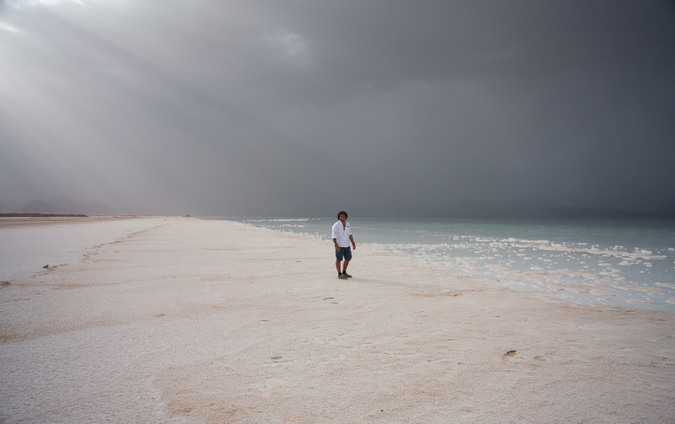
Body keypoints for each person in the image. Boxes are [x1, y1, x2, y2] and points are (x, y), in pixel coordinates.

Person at [332, 210, 356, 279]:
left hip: (347, 245)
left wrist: (353, 243)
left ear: (346, 217)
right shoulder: (336, 225)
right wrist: (336, 245)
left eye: (344, 216)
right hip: (339, 245)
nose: (342, 217)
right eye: (341, 216)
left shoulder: (348, 224)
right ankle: (339, 274)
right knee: (338, 259)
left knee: (348, 258)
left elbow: (350, 234)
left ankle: (344, 272)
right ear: (339, 217)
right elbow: (333, 236)